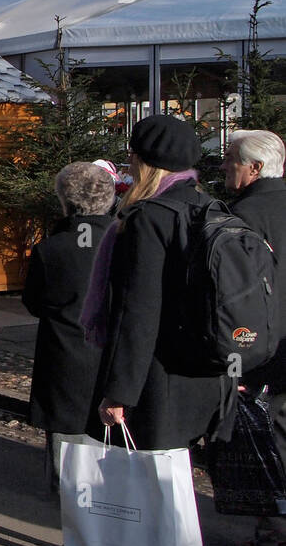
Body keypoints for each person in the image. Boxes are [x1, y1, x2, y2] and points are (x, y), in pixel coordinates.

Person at [89, 115, 234, 452]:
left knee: (153, 491)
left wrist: (119, 391)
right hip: (209, 373)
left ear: (141, 161)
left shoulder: (147, 218)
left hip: (158, 377)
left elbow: (137, 311)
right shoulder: (211, 209)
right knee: (180, 482)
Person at [22, 163, 115, 495]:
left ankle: (78, 541)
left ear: (66, 200)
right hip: (115, 364)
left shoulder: (51, 249)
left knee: (71, 467)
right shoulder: (129, 240)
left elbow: (33, 302)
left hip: (65, 365)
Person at [222, 129, 286, 546]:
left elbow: (235, 296)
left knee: (273, 441)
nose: (224, 165)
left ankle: (276, 539)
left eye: (231, 159)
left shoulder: (241, 216)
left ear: (255, 169)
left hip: (268, 349)